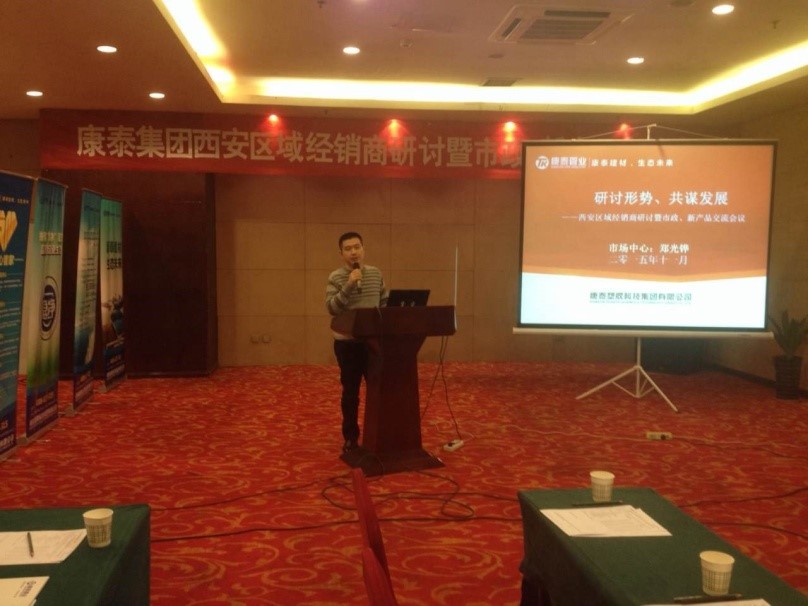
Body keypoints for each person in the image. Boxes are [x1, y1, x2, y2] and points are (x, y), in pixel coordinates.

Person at [326, 232, 388, 453]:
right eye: (348, 248)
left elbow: (384, 303)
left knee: (378, 390)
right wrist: (350, 284)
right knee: (351, 392)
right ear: (341, 253)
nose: (353, 252)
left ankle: (379, 435)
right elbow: (332, 308)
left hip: (373, 343)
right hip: (348, 344)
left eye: (357, 247)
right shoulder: (336, 277)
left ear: (363, 249)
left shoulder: (376, 273)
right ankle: (351, 438)